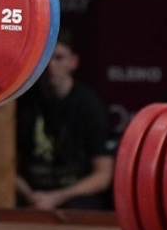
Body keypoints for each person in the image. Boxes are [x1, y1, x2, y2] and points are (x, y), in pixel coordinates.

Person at [15, 29, 116, 210]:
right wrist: (29, 194)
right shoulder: (22, 104)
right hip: (30, 194)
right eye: (45, 58)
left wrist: (56, 198)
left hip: (73, 197)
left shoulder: (90, 107)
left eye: (59, 58)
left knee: (82, 207)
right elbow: (4, 164)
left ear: (73, 62)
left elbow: (103, 175)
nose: (51, 65)